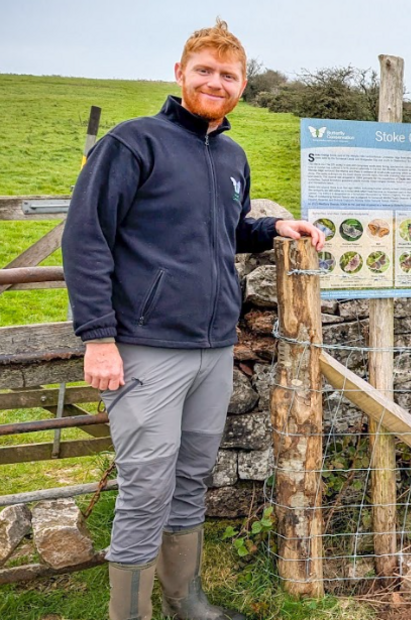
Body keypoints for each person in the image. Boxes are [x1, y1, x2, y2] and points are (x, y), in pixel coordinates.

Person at [61, 19, 324, 620]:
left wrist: (272, 227)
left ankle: (187, 600)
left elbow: (223, 231)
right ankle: (129, 614)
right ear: (180, 73)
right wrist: (98, 338)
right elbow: (86, 240)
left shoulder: (231, 156)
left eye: (227, 75)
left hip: (213, 350)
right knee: (146, 490)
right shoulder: (134, 143)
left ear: (243, 85)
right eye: (203, 70)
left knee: (190, 481)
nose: (215, 81)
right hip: (145, 348)